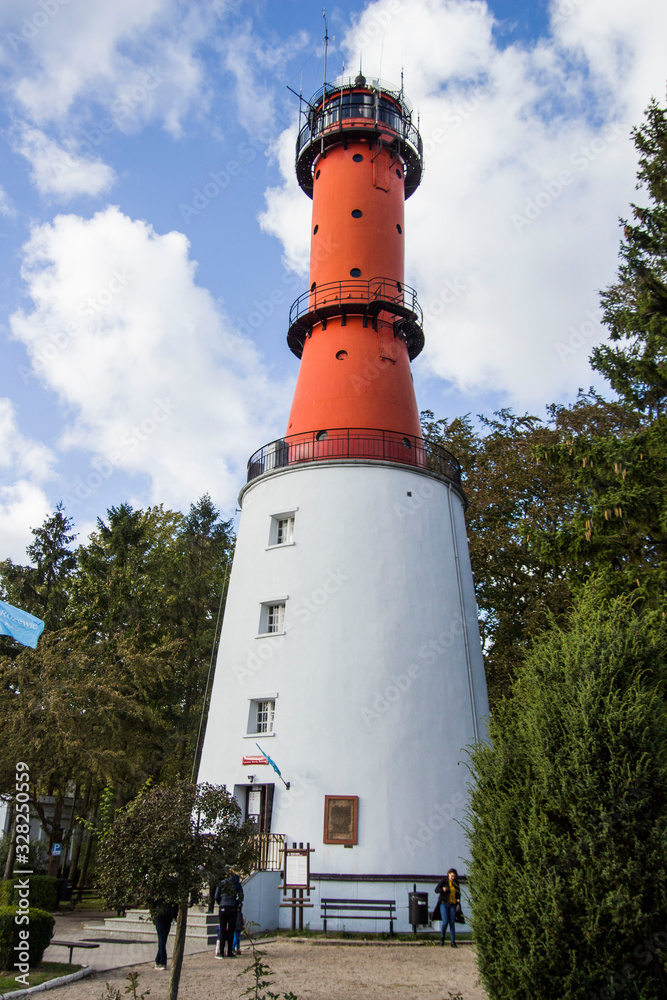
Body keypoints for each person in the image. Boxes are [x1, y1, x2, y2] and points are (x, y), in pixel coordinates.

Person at [215, 871, 243, 958]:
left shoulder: (222, 883)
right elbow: (241, 896)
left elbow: (216, 896)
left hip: (223, 907)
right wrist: (236, 903)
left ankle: (221, 952)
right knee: (231, 930)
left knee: (223, 931)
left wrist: (221, 903)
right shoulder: (237, 885)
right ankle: (230, 952)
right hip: (233, 908)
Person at [435, 868, 460, 947]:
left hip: (452, 904)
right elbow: (436, 890)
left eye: (454, 876)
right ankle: (442, 939)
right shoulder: (444, 881)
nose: (453, 878)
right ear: (448, 874)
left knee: (452, 922)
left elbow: (458, 892)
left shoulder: (456, 882)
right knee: (445, 922)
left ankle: (453, 942)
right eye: (452, 876)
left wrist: (458, 899)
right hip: (444, 903)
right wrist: (443, 889)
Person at [151, 901, 178, 970]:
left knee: (162, 939)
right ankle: (159, 960)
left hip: (161, 914)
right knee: (163, 939)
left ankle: (162, 961)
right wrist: (174, 915)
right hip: (168, 914)